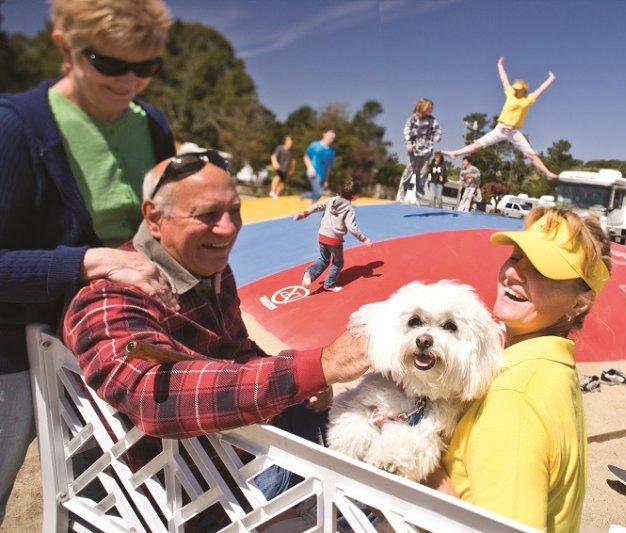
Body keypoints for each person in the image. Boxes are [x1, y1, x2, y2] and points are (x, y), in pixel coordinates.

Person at [60, 153, 371, 511]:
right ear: (155, 218)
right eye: (207, 215)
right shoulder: (108, 296)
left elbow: (236, 350)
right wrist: (318, 365)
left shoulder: (208, 267)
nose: (228, 229)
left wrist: (306, 380)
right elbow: (153, 392)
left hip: (248, 442)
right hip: (207, 486)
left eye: (234, 211)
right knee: (374, 498)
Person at [0, 0, 175, 524]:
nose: (129, 82)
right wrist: (87, 261)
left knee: (105, 494)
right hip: (12, 349)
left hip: (112, 343)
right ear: (64, 47)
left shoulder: (152, 124)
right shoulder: (16, 130)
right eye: (110, 64)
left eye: (146, 67)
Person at [435, 206, 612, 532]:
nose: (513, 274)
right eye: (516, 257)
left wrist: (425, 476)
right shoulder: (551, 368)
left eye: (543, 271)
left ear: (578, 304)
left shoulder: (516, 396)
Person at [443, 57, 558, 179]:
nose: (515, 90)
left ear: (523, 91)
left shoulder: (528, 99)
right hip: (501, 129)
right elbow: (504, 79)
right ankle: (455, 153)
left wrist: (551, 78)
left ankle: (547, 173)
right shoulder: (509, 93)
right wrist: (499, 65)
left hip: (514, 132)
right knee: (478, 145)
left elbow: (541, 89)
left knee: (531, 154)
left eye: (518, 89)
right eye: (515, 88)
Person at [295, 179, 373, 293]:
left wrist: (305, 213)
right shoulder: (349, 209)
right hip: (334, 240)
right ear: (353, 195)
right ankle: (329, 284)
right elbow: (352, 228)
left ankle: (309, 274)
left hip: (322, 235)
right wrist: (364, 239)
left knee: (324, 259)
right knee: (338, 263)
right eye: (358, 194)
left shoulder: (332, 200)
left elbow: (317, 206)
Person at [396, 98, 442, 204]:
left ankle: (419, 194)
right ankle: (401, 194)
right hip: (414, 149)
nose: (431, 111)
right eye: (429, 108)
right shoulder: (413, 118)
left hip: (426, 150)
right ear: (423, 107)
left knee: (423, 172)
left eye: (432, 109)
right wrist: (408, 142)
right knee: (410, 171)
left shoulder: (432, 120)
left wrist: (437, 137)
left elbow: (437, 130)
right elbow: (406, 129)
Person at [303, 129, 336, 202]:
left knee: (317, 195)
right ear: (324, 134)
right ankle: (311, 206)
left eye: (333, 136)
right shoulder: (314, 145)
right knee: (319, 193)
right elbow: (306, 157)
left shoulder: (331, 152)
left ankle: (303, 196)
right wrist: (310, 168)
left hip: (322, 177)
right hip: (313, 173)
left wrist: (326, 180)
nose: (332, 137)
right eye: (330, 134)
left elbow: (328, 167)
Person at [270, 134, 295, 198]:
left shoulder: (291, 152)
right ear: (285, 141)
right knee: (277, 177)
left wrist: (292, 169)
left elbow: (293, 161)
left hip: (285, 169)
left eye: (291, 141)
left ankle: (276, 194)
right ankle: (272, 192)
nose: (290, 142)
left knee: (282, 183)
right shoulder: (280, 148)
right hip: (279, 167)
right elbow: (273, 156)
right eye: (288, 140)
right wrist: (275, 162)